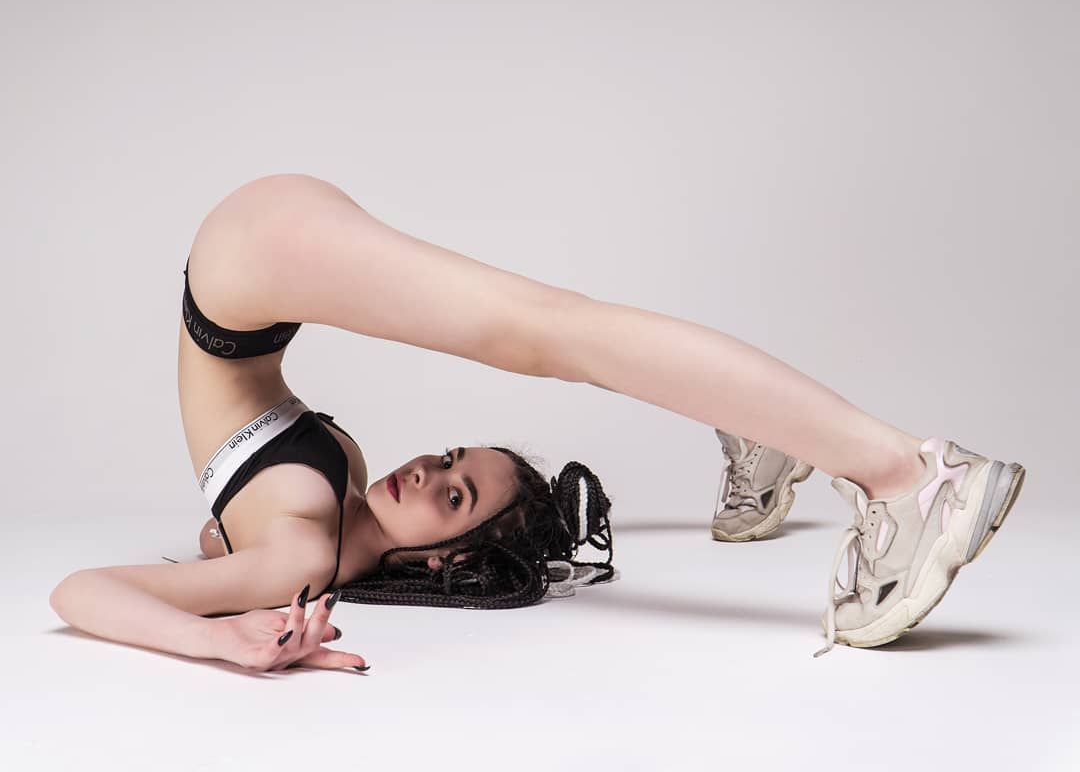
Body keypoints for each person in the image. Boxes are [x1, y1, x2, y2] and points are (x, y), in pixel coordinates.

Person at [49, 173, 1024, 671]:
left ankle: (906, 476)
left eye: (450, 489)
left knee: (551, 331)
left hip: (248, 271)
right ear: (448, 564)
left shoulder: (299, 556)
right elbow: (203, 545)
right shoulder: (314, 543)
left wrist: (220, 638)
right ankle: (858, 459)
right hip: (253, 270)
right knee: (550, 329)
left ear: (441, 561)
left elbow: (80, 591)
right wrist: (223, 611)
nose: (426, 473)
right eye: (453, 472)